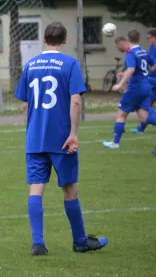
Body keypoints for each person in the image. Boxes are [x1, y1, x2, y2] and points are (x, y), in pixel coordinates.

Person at [14, 22, 108, 256]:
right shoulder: (69, 63)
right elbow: (75, 100)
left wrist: (32, 130)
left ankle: (38, 243)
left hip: (35, 138)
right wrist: (74, 133)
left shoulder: (30, 65)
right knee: (69, 188)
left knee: (36, 188)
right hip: (62, 138)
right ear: (64, 41)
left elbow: (25, 104)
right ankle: (79, 241)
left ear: (44, 39)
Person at [102, 31, 156, 149]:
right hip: (146, 86)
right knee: (144, 117)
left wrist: (120, 84)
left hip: (135, 88)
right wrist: (144, 73)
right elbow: (153, 65)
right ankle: (115, 143)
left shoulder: (131, 53)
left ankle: (115, 143)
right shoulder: (143, 51)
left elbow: (131, 69)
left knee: (121, 114)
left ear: (127, 40)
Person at [131, 29, 156, 133]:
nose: (148, 39)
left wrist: (146, 72)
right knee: (147, 103)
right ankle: (141, 128)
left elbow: (153, 64)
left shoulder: (154, 48)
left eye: (149, 37)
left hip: (152, 80)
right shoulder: (152, 47)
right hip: (152, 80)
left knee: (141, 103)